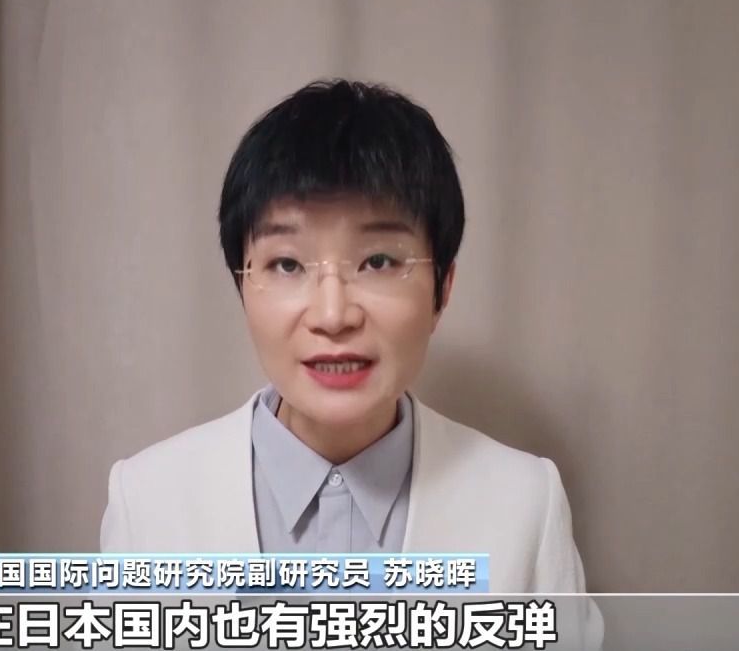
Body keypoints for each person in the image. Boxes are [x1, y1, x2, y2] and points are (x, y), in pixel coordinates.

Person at [99, 79, 593, 599]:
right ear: (243, 286)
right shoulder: (147, 501)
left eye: (378, 261)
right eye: (287, 264)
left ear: (442, 289)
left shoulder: (524, 504)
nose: (332, 316)